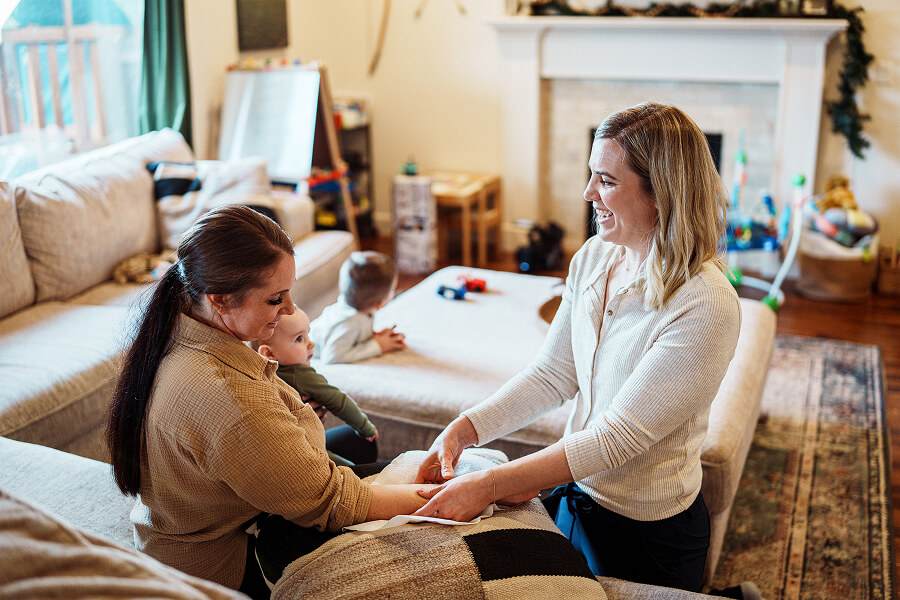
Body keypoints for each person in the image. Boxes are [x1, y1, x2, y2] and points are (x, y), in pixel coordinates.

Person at [412, 103, 742, 593]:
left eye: (606, 181)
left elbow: (616, 439)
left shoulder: (706, 304)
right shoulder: (593, 256)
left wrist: (489, 486)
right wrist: (467, 427)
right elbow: (553, 373)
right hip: (577, 497)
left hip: (651, 531)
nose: (588, 193)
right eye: (591, 175)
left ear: (661, 194)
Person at [106, 205, 435, 599]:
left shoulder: (177, 325)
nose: (292, 309)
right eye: (276, 298)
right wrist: (443, 500)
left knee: (355, 443)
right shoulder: (225, 397)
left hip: (196, 512)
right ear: (221, 299)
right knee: (410, 484)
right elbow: (331, 502)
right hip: (221, 562)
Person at [252, 305, 379, 467]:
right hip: (304, 450)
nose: (311, 344)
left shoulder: (259, 374)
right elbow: (338, 400)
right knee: (348, 468)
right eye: (299, 339)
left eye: (308, 335)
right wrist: (364, 427)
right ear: (269, 354)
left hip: (291, 450)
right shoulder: (300, 375)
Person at [310, 251, 406, 363]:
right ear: (380, 303)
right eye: (392, 290)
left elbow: (358, 332)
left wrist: (372, 336)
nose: (394, 292)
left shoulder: (364, 309)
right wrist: (378, 345)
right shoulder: (347, 323)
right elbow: (331, 356)